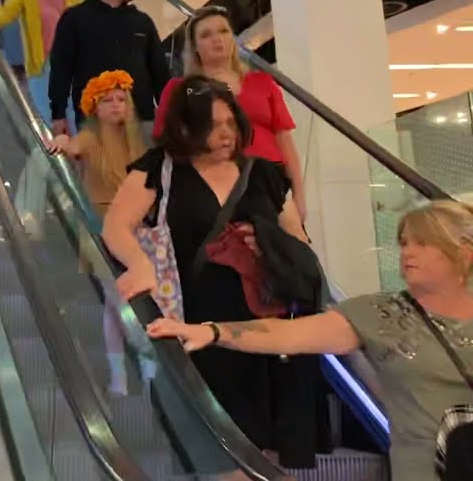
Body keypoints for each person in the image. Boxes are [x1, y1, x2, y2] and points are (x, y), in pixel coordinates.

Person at [148, 200, 473, 480]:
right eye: (403, 243)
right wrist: (213, 331)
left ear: (464, 252)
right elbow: (287, 334)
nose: (407, 252)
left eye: (422, 243)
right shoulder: (382, 314)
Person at [103, 76, 320, 471]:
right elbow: (115, 225)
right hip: (193, 324)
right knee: (215, 450)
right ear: (186, 126)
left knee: (266, 450)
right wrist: (140, 263)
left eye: (231, 124)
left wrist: (270, 245)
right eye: (213, 125)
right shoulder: (161, 168)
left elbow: (298, 241)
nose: (226, 135)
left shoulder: (263, 174)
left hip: (266, 326)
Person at [47, 71, 148, 394]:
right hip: (102, 225)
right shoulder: (91, 139)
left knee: (129, 298)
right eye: (108, 101)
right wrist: (62, 140)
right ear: (94, 108)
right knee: (114, 299)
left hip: (137, 227)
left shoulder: (137, 142)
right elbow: (71, 148)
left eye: (122, 100)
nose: (117, 106)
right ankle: (122, 373)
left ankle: (139, 368)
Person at [154, 6, 307, 220]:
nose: (217, 39)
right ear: (195, 47)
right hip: (211, 186)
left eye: (224, 31)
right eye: (206, 35)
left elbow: (285, 140)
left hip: (270, 183)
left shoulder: (262, 82)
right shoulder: (181, 88)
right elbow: (166, 144)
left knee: (286, 250)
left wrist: (299, 196)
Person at [48, 0, 172, 137]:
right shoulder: (75, 18)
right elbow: (61, 69)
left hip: (141, 120)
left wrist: (170, 116)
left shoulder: (142, 21)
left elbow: (160, 74)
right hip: (95, 125)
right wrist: (58, 115)